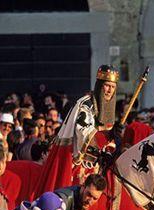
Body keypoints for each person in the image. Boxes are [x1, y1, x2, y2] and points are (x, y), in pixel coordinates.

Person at [35, 65, 119, 194]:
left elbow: (108, 143)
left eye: (113, 87)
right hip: (78, 165)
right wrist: (107, 135)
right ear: (100, 85)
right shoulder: (86, 104)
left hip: (97, 167)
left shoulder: (109, 109)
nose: (109, 90)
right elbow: (83, 133)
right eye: (107, 85)